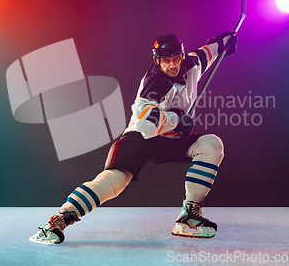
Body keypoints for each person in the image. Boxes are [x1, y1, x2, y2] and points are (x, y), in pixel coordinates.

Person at [30, 32, 238, 244]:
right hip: (140, 140)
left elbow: (207, 52)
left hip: (173, 139)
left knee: (211, 145)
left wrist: (223, 42)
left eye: (176, 59)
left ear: (182, 56)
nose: (172, 65)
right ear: (157, 61)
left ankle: (188, 217)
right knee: (113, 183)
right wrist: (177, 119)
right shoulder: (154, 83)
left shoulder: (191, 64)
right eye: (166, 61)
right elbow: (145, 123)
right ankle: (57, 222)